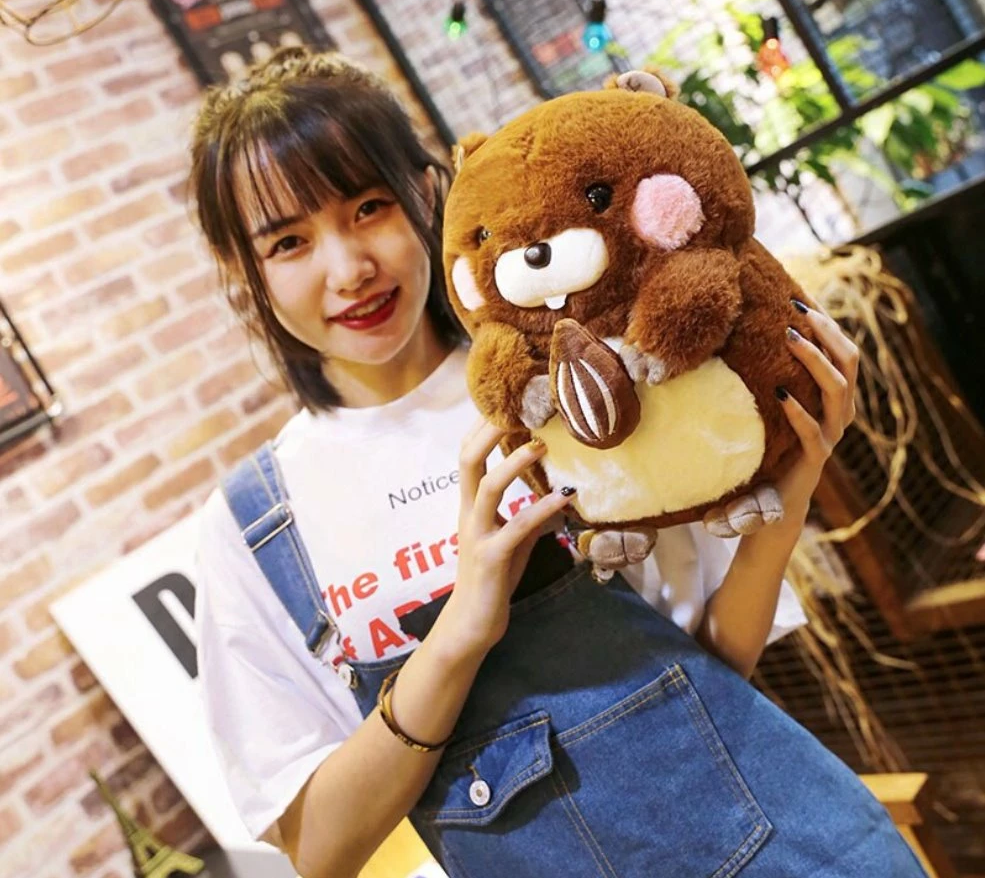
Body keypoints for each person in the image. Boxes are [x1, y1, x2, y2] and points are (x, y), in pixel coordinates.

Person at [190, 47, 926, 878]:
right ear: (243, 271)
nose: (348, 268)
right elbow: (320, 847)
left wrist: (786, 496)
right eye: (288, 242)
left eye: (367, 207)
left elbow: (713, 666)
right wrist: (458, 636)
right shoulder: (257, 526)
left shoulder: (580, 363)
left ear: (427, 194)